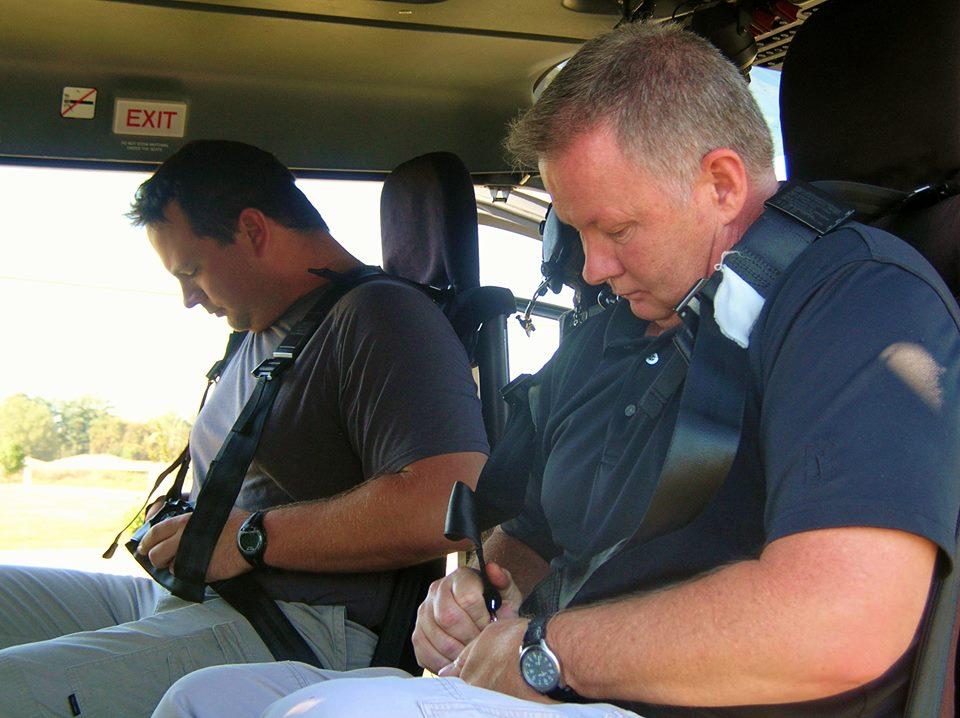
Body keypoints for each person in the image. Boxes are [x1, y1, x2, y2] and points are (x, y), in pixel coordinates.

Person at [153, 22, 960, 718]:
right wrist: (478, 594)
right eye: (575, 232)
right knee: (204, 698)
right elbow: (528, 531)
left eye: (615, 228)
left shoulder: (858, 299)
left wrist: (547, 651)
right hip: (556, 686)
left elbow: (842, 620)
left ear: (720, 182)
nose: (595, 267)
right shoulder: (616, 330)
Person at [0, 140, 489, 717]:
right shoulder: (262, 332)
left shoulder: (383, 317)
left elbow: (448, 500)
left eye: (192, 270)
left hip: (300, 628)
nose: (187, 298)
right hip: (195, 597)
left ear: (253, 230)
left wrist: (251, 537)